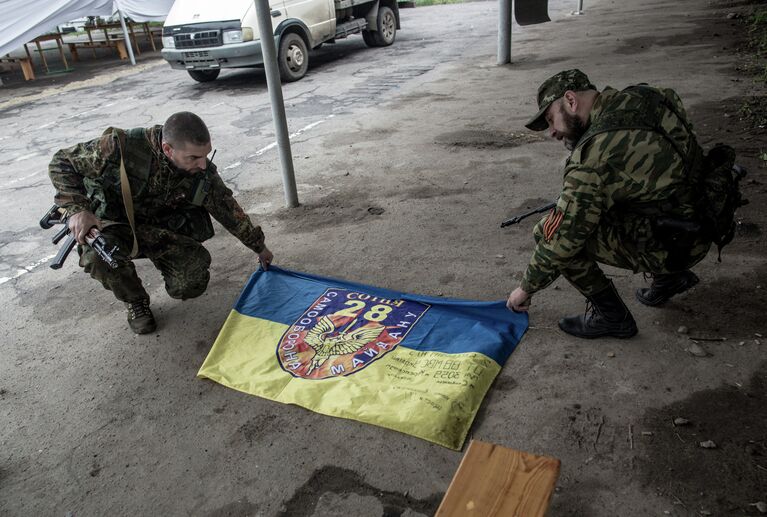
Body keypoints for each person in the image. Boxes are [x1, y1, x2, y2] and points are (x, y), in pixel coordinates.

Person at [506, 69, 714, 339]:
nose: (552, 133)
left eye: (550, 119)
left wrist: (525, 289)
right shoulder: (648, 96)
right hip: (703, 217)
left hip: (678, 244)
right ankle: (670, 278)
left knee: (549, 233)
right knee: (621, 201)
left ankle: (612, 318)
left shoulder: (594, 156)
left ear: (570, 100)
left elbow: (561, 238)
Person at [48, 112, 273, 335]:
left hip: (160, 232)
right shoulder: (120, 148)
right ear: (168, 149)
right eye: (194, 157)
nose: (203, 164)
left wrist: (259, 247)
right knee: (97, 258)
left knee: (191, 282)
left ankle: (160, 262)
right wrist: (79, 210)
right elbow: (61, 162)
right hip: (114, 227)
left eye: (206, 155)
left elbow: (227, 208)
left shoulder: (201, 171)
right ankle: (135, 300)